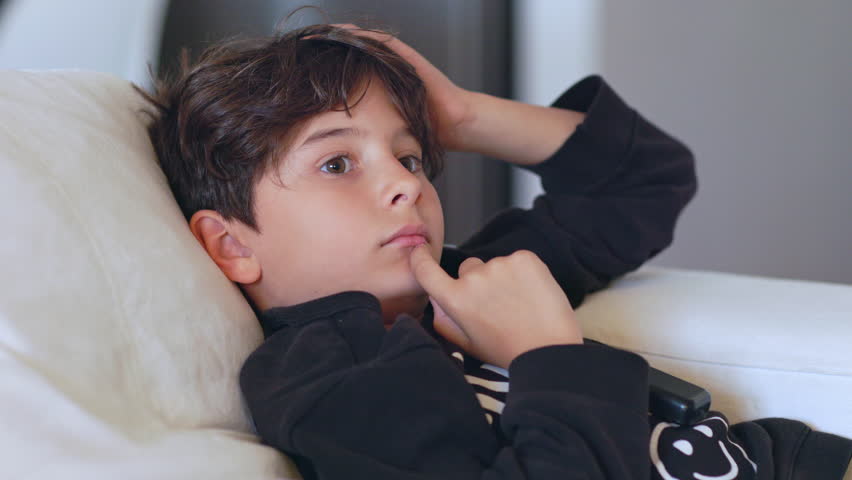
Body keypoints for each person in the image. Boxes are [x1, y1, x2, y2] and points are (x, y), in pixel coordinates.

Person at [138, 23, 852, 480]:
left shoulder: (465, 283)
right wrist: (544, 354)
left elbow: (644, 181)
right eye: (336, 165)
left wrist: (464, 115)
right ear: (232, 246)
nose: (402, 186)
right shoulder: (327, 378)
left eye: (412, 158)